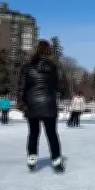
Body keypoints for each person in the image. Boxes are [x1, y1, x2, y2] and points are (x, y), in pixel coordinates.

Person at [16, 40, 63, 173]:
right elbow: (58, 86)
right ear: (48, 51)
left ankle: (32, 156)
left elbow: (21, 87)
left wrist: (21, 102)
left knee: (33, 133)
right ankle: (56, 160)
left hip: (32, 104)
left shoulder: (27, 67)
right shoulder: (53, 67)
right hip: (48, 104)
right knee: (52, 134)